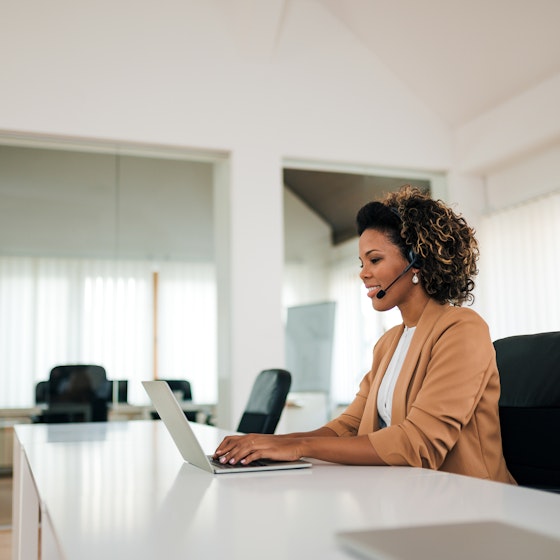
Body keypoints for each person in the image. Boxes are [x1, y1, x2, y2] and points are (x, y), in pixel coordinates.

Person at [214, 185, 515, 483]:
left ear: (417, 262)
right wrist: (275, 443)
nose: (362, 273)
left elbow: (419, 443)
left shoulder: (462, 329)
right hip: (411, 496)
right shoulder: (388, 344)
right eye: (362, 263)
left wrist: (299, 446)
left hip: (471, 501)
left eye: (374, 260)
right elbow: (350, 425)